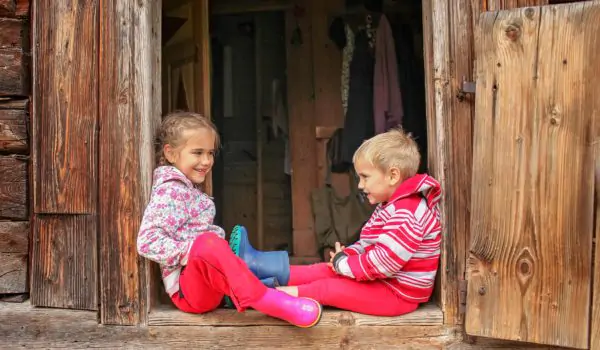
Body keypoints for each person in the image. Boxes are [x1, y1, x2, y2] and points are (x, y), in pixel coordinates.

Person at [136, 111, 322, 328]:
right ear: (170, 153)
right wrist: (196, 250)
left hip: (207, 281)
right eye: (197, 152)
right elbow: (147, 241)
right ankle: (266, 299)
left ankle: (325, 274)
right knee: (207, 243)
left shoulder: (187, 189)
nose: (206, 161)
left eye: (210, 153)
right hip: (188, 292)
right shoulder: (170, 191)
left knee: (256, 263)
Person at [230, 128, 442, 316]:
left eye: (365, 177)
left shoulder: (407, 212)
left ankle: (262, 296)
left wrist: (344, 265)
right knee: (323, 270)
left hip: (397, 294)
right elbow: (369, 245)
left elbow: (383, 263)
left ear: (393, 176)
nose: (360, 185)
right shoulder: (392, 205)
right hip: (384, 283)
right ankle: (257, 265)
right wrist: (347, 255)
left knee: (329, 289)